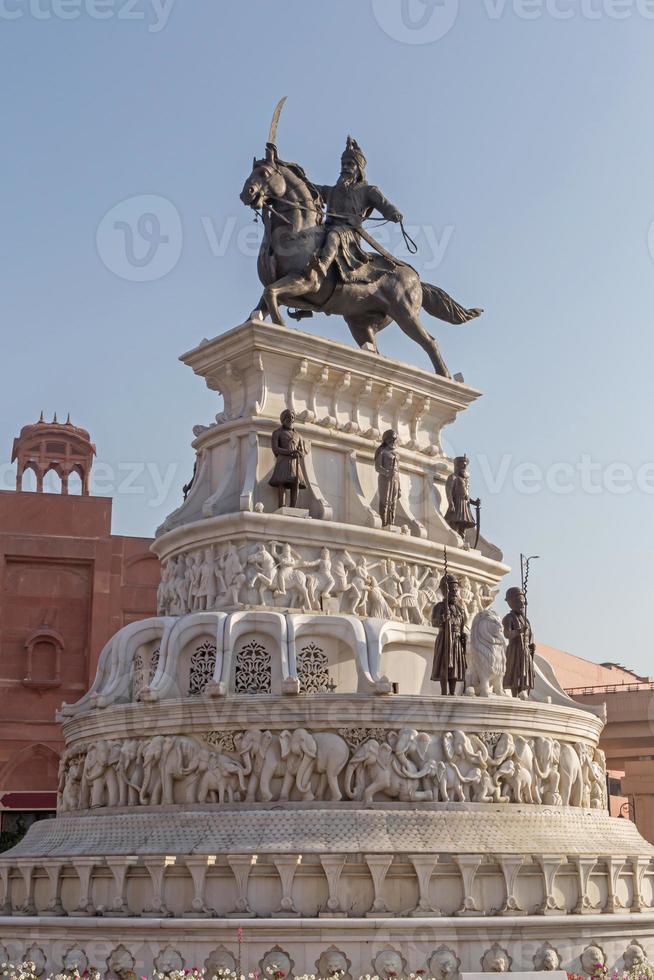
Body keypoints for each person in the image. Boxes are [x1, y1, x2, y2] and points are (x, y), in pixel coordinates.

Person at [309, 137, 403, 282]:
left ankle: (323, 265)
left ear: (358, 169)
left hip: (349, 232)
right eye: (343, 164)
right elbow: (311, 188)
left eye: (350, 164)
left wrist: (393, 213)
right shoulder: (332, 191)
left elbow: (385, 205)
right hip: (327, 227)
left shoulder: (368, 190)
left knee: (334, 236)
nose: (345, 167)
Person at [431, 573, 468, 695]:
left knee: (455, 667)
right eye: (452, 590)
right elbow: (434, 622)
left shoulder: (459, 609)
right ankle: (444, 691)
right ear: (445, 591)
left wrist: (463, 636)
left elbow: (462, 626)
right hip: (445, 639)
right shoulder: (440, 607)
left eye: (456, 590)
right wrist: (443, 617)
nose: (455, 593)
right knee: (445, 665)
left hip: (456, 640)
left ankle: (452, 692)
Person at [269, 409, 306, 509]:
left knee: (295, 483)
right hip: (283, 462)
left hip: (295, 463)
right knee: (282, 482)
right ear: (283, 419)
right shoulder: (277, 433)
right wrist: (290, 452)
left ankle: (293, 507)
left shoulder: (298, 435)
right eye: (288, 417)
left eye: (293, 417)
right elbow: (275, 449)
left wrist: (299, 453)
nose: (291, 419)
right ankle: (282, 506)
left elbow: (303, 451)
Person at [502, 587, 535, 698]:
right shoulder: (509, 618)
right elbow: (506, 634)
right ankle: (515, 696)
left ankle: (524, 695)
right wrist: (519, 631)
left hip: (526, 651)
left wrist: (531, 645)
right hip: (515, 650)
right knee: (516, 674)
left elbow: (530, 635)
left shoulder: (526, 620)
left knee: (526, 675)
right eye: (519, 603)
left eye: (523, 603)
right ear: (511, 603)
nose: (522, 605)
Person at [444, 454, 480, 544]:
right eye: (462, 464)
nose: (464, 466)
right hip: (457, 503)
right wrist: (451, 503)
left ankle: (462, 540)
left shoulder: (465, 480)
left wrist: (474, 502)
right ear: (457, 465)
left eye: (465, 465)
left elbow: (466, 494)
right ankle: (454, 539)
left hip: (465, 505)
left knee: (463, 524)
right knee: (455, 521)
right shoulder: (453, 477)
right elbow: (448, 490)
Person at [374, 429, 401, 527]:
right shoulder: (381, 452)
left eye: (395, 439)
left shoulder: (397, 454)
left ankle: (391, 522)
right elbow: (377, 467)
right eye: (392, 439)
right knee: (385, 501)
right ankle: (384, 522)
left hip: (395, 479)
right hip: (385, 478)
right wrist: (386, 472)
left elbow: (398, 471)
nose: (394, 441)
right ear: (387, 439)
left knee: (393, 502)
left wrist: (400, 487)